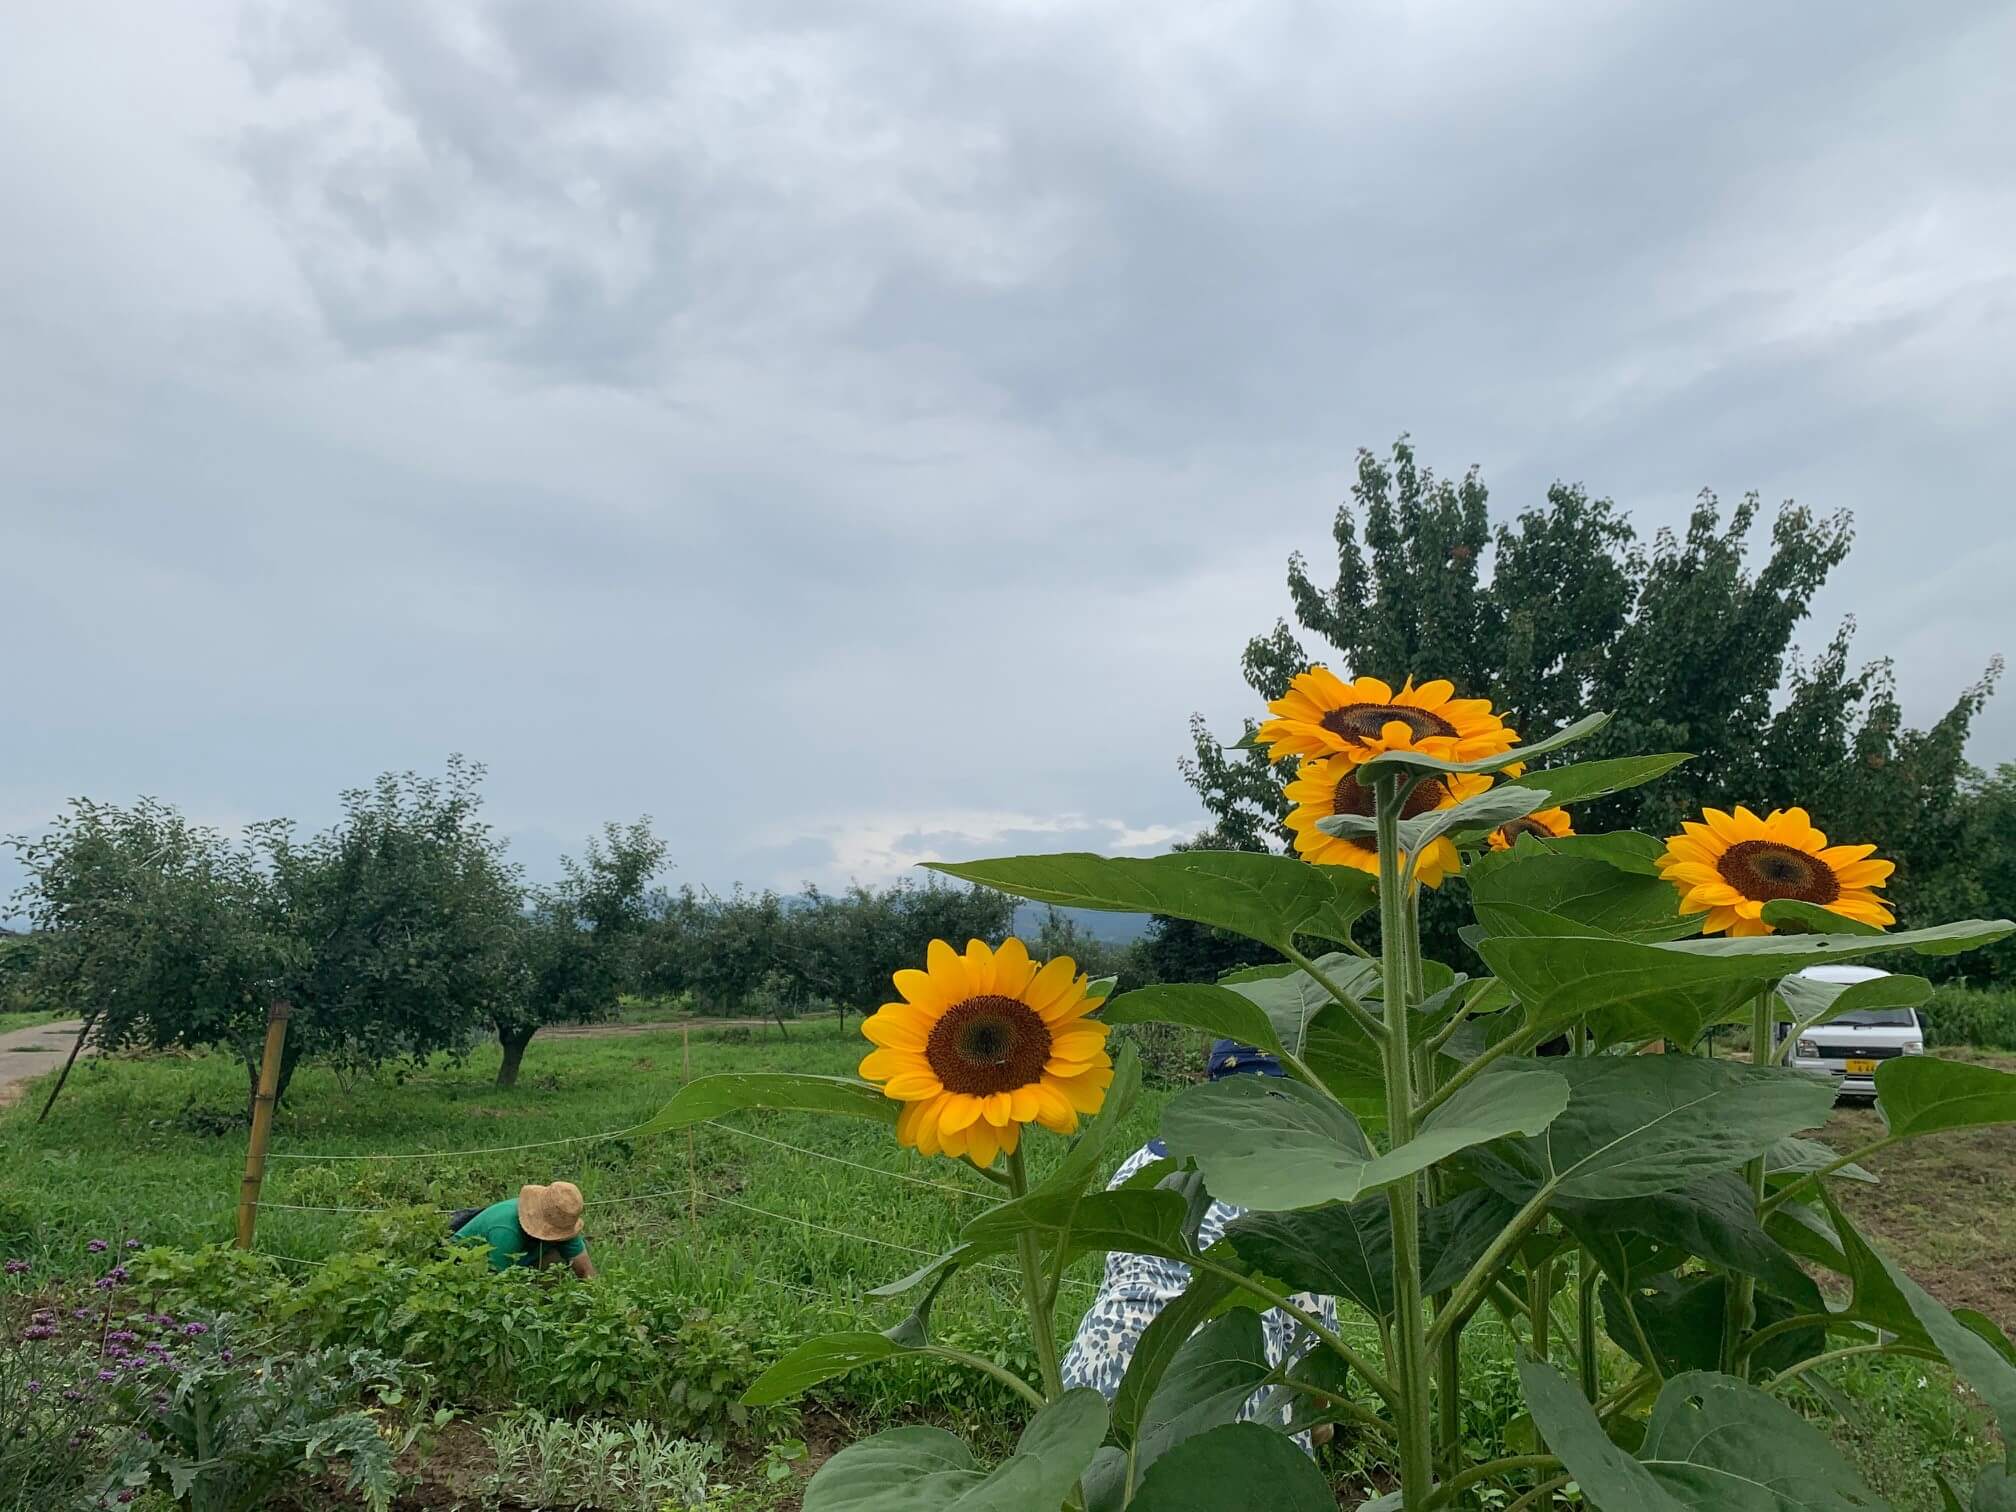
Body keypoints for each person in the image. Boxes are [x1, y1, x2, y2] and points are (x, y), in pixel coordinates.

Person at [1060, 1040, 1340, 1448]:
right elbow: (1313, 1338)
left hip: (1096, 1388)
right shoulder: (1296, 1190)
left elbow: (1118, 1277)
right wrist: (1319, 1420)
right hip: (1224, 1411)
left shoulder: (1140, 1165)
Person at [449, 1181, 597, 1278]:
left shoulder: (562, 1217)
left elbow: (585, 1270)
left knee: (557, 1264)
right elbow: (496, 1283)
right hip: (466, 1265)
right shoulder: (506, 1230)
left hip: (520, 1262)